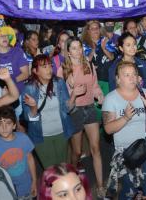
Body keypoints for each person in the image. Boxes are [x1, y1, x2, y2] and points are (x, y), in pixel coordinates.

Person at [103, 62, 146, 199]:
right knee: (129, 192)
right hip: (126, 154)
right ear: (118, 79)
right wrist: (125, 118)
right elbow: (108, 129)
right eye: (127, 75)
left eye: (134, 74)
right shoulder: (111, 98)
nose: (132, 78)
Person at [62, 37, 106, 194]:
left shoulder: (88, 64)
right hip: (74, 112)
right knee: (77, 152)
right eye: (73, 48)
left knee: (96, 148)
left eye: (79, 47)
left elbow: (94, 86)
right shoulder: (64, 70)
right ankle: (71, 179)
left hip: (90, 109)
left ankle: (101, 186)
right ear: (68, 51)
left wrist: (99, 95)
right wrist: (73, 94)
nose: (77, 51)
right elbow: (65, 104)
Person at [21, 54, 77, 170]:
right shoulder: (29, 88)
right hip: (41, 136)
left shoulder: (59, 83)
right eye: (44, 66)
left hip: (61, 132)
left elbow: (67, 109)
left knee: (63, 168)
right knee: (50, 171)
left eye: (50, 65)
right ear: (35, 71)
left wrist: (74, 95)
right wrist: (33, 107)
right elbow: (28, 118)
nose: (49, 69)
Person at [0, 106, 39, 200]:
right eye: (0, 124)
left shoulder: (23, 138)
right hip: (6, 190)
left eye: (8, 123)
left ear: (14, 125)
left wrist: (34, 181)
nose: (4, 127)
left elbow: (30, 158)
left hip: (27, 187)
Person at [0, 17, 30, 91]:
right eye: (1, 36)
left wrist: (8, 82)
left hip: (18, 93)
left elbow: (26, 74)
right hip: (0, 96)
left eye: (6, 35)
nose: (4, 37)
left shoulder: (18, 51)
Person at [81, 20, 117, 93]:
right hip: (93, 79)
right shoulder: (84, 45)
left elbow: (112, 57)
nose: (95, 30)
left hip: (108, 78)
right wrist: (93, 49)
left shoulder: (105, 40)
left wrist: (104, 49)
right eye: (92, 29)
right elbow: (86, 61)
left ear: (100, 29)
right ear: (88, 31)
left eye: (97, 28)